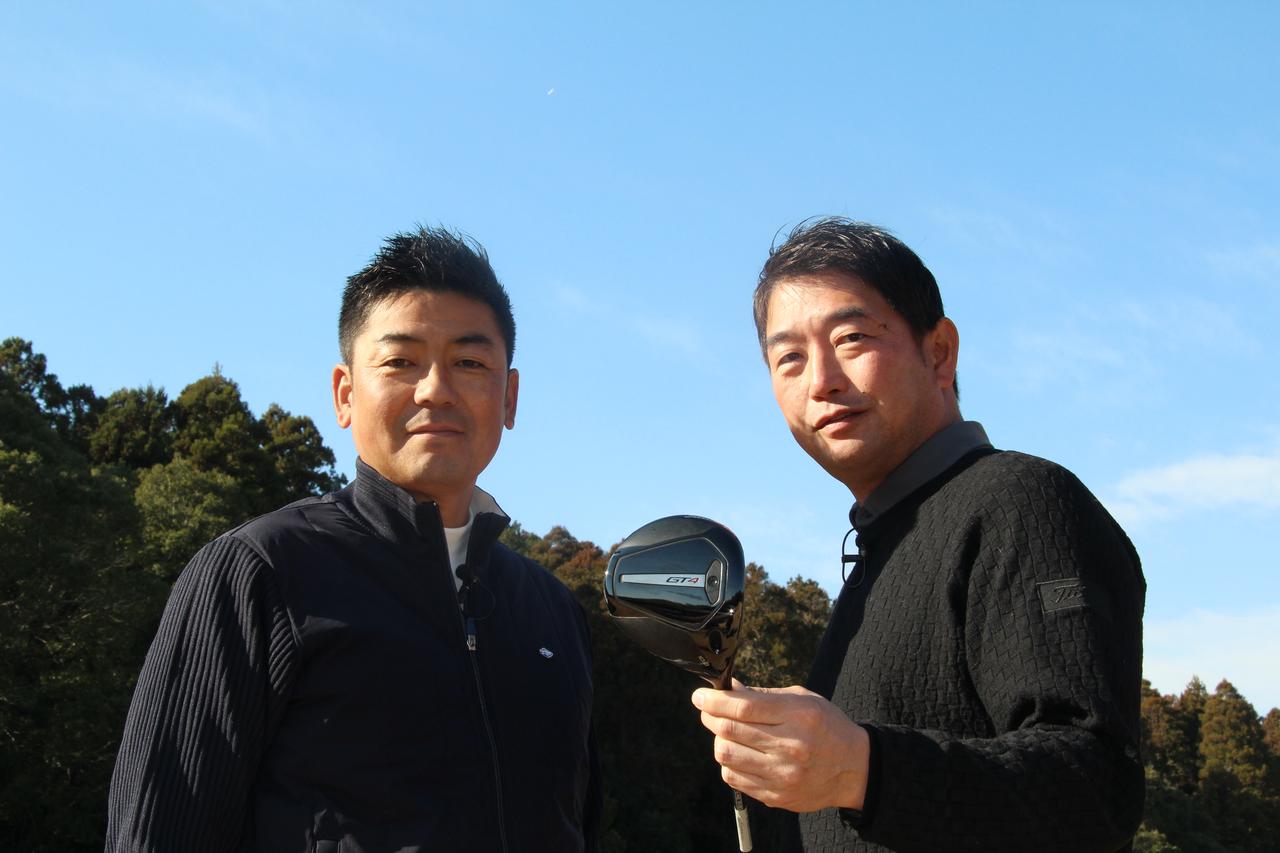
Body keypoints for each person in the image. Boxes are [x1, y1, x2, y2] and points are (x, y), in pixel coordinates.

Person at [107, 226, 601, 852]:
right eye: (400, 362)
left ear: (509, 397)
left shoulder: (553, 612)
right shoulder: (260, 573)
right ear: (345, 394)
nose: (435, 389)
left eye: (470, 363)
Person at [692, 218, 1145, 852]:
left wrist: (860, 770)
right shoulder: (882, 549)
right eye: (788, 357)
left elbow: (1095, 787)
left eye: (851, 338)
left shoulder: (1024, 502)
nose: (820, 380)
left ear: (940, 352)